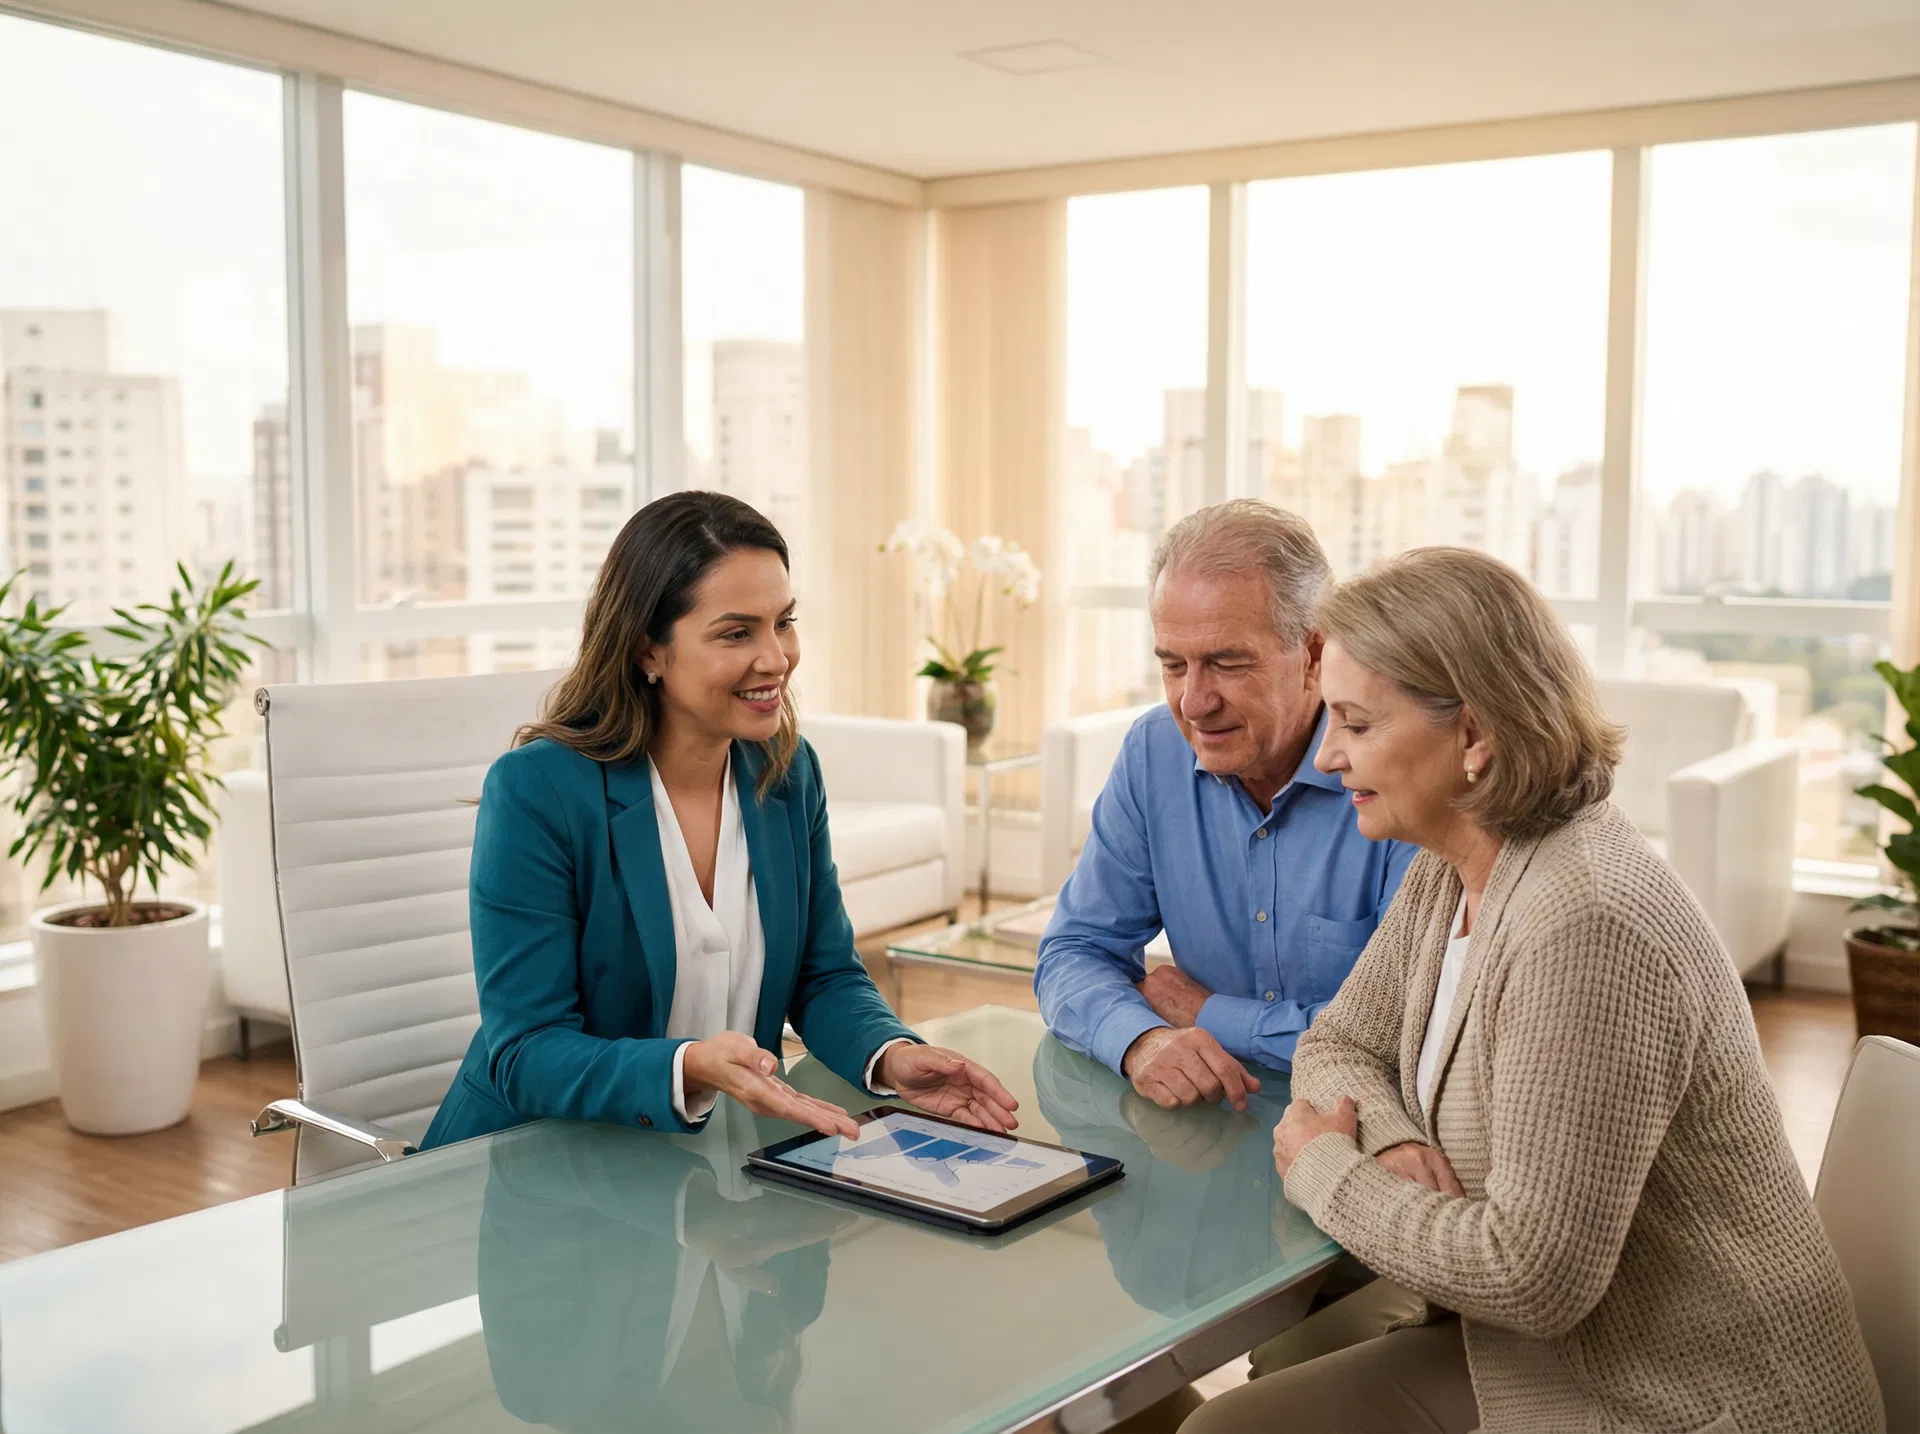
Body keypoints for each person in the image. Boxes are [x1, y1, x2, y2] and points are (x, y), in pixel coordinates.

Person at [1185, 548, 1883, 1434]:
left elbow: (1531, 1278)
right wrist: (1394, 1143)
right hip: (1557, 1360)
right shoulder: (1459, 867)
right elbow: (1339, 1043)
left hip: (1690, 1400)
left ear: (1473, 736)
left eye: (1358, 725)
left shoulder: (1586, 924)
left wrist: (1327, 1170)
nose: (1327, 758)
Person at [422, 491, 1017, 1149]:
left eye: (783, 622)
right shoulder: (539, 791)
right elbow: (525, 1052)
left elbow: (825, 976)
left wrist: (890, 1051)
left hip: (717, 1166)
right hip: (541, 1165)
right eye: (737, 633)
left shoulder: (786, 773)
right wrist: (686, 1067)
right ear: (649, 651)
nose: (776, 658)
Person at [1035, 500, 1415, 1111]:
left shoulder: (1395, 772)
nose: (1192, 702)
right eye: (1172, 665)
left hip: (1366, 1131)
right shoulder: (1153, 752)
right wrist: (1143, 1040)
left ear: (1314, 655)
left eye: (1226, 663)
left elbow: (1404, 1039)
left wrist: (1209, 1014)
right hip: (1207, 1132)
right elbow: (1074, 952)